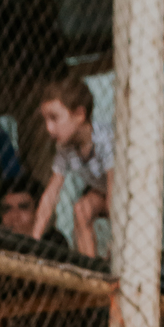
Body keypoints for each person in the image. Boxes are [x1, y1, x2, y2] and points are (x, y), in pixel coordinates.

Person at [32, 75, 113, 258]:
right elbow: (51, 194)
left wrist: (117, 239)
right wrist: (34, 240)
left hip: (126, 194)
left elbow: (114, 190)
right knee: (81, 209)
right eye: (45, 120)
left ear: (79, 115)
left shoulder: (105, 140)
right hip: (102, 191)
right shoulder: (65, 147)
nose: (49, 128)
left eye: (54, 118)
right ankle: (90, 269)